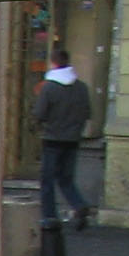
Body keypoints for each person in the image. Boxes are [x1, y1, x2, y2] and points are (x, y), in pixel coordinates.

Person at [34, 51, 95, 230]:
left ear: (53, 63)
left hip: (52, 138)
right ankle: (79, 205)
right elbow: (87, 112)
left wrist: (40, 125)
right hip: (73, 139)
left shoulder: (49, 87)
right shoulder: (81, 87)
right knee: (66, 178)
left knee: (47, 180)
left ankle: (49, 217)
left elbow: (40, 113)